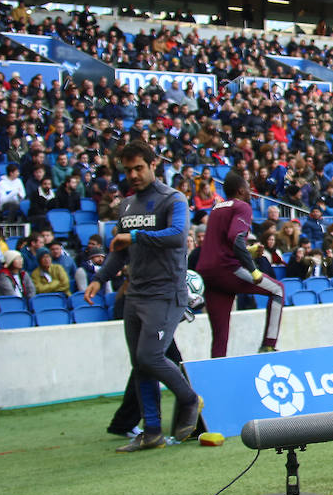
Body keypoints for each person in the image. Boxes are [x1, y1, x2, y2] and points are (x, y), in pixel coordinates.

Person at [84, 140, 202, 452]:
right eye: (128, 170)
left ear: (153, 165)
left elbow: (177, 236)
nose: (133, 174)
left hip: (166, 293)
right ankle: (151, 432)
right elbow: (120, 252)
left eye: (139, 168)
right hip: (135, 295)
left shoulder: (173, 199)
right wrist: (99, 279)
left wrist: (135, 235)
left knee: (149, 357)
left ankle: (190, 399)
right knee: (140, 364)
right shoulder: (126, 205)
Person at [196, 173, 285, 357]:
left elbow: (223, 243)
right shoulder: (242, 206)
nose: (251, 193)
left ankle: (216, 372)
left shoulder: (216, 208)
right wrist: (253, 271)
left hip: (207, 273)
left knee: (220, 334)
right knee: (278, 290)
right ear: (241, 190)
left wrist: (250, 251)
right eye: (248, 189)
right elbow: (235, 239)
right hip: (227, 269)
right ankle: (269, 345)